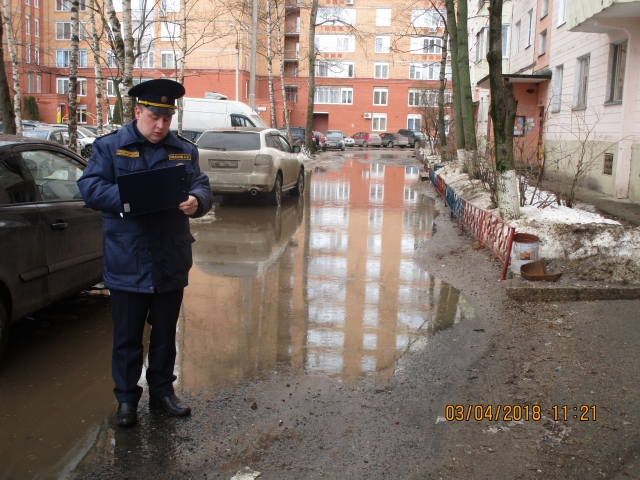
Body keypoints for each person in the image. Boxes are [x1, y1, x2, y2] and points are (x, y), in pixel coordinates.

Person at [77, 79, 213, 427]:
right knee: (127, 338)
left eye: (167, 119)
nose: (160, 126)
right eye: (154, 117)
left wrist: (197, 201)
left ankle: (163, 393)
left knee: (165, 334)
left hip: (170, 257)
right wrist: (130, 200)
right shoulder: (110, 147)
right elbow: (90, 188)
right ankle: (126, 401)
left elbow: (200, 183)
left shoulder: (184, 150)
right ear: (138, 111)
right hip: (128, 259)